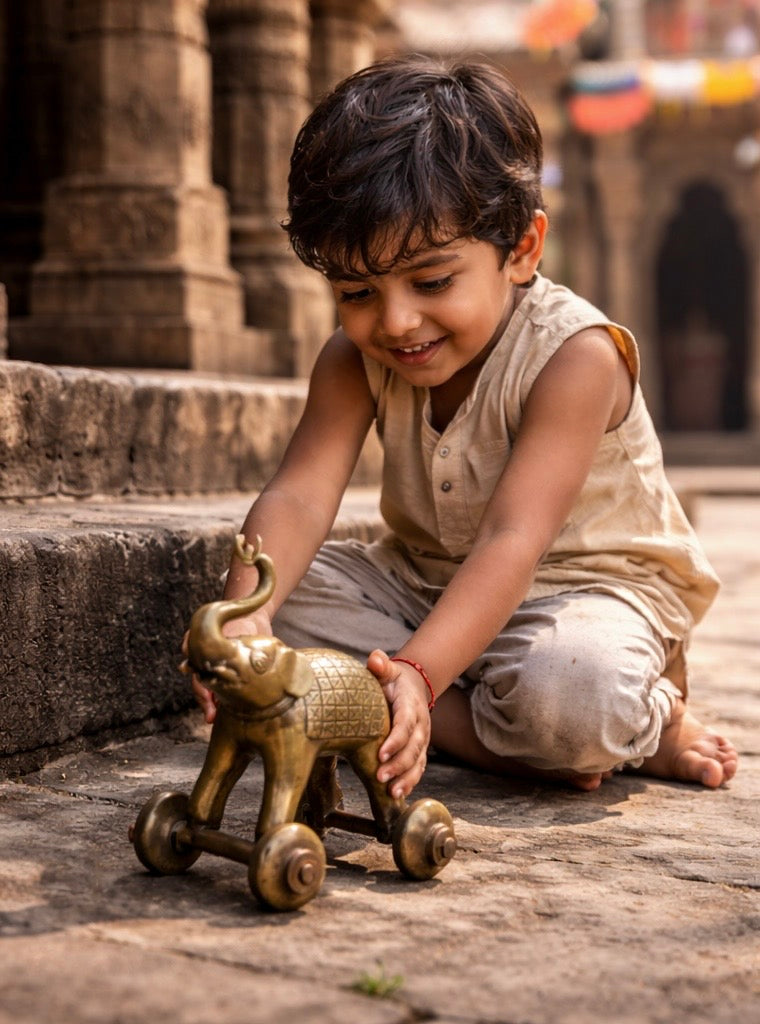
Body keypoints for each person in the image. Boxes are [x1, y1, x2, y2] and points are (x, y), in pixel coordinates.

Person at [192, 55, 738, 798]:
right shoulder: (353, 359)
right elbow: (298, 499)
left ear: (522, 250)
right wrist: (244, 621)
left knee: (571, 698)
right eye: (357, 290)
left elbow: (514, 541)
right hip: (422, 584)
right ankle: (485, 735)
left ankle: (648, 719)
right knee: (261, 603)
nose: (395, 321)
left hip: (578, 596)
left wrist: (418, 671)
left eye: (432, 281)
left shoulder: (574, 357)